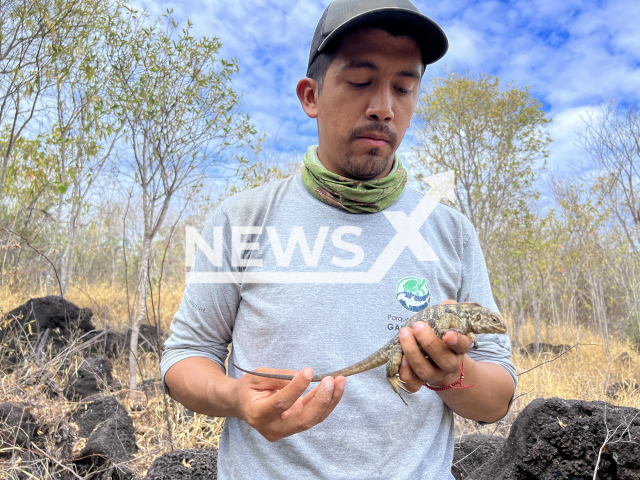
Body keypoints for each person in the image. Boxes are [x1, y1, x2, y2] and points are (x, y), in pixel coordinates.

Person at [161, 1, 516, 478]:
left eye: (404, 88)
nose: (383, 108)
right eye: (360, 81)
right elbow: (186, 356)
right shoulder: (241, 219)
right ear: (311, 96)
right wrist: (235, 397)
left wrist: (452, 375)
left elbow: (497, 398)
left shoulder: (450, 230)